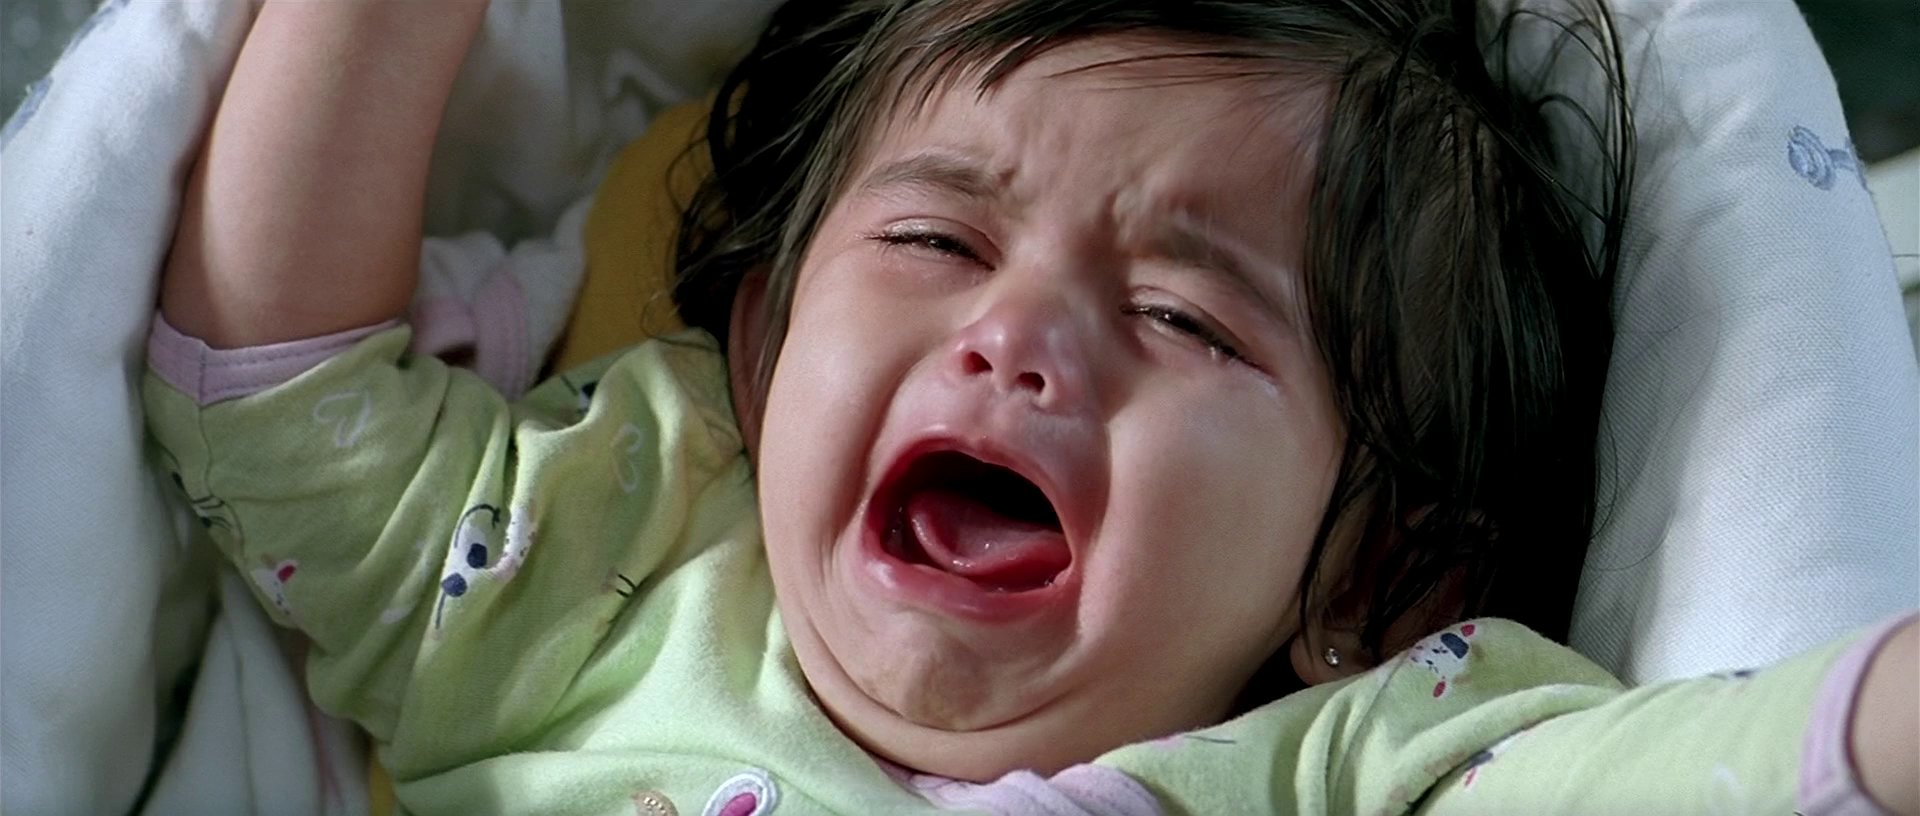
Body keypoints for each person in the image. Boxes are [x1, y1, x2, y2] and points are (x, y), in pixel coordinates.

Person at [145, 0, 1918, 813]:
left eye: (1184, 318)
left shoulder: (1339, 763)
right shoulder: (609, 569)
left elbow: (1709, 771)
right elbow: (279, 398)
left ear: (1377, 574)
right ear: (762, 357)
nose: (1016, 338)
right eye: (935, 239)